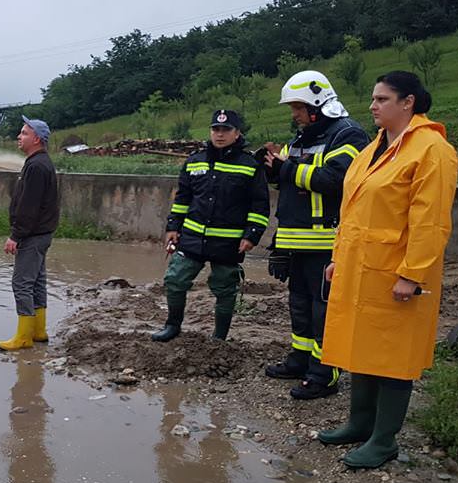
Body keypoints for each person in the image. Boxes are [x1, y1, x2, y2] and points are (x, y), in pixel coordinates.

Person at [318, 71, 458, 469]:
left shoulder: (432, 149)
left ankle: (384, 440)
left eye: (381, 99)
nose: (373, 106)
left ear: (408, 102)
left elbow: (430, 221)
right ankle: (359, 423)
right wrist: (337, 258)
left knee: (393, 356)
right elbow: (353, 211)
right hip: (359, 267)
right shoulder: (375, 147)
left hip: (396, 272)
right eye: (374, 99)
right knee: (360, 346)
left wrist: (411, 275)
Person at [262, 71, 370, 399]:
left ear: (318, 104)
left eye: (297, 106)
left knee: (326, 311)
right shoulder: (300, 138)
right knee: (300, 306)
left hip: (329, 244)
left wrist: (287, 169)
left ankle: (325, 373)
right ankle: (301, 359)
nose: (293, 113)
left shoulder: (348, 135)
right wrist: (272, 170)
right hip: (298, 242)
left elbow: (335, 180)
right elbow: (290, 187)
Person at [151, 109, 270, 342]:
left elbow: (260, 205)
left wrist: (252, 236)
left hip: (229, 242)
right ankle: (173, 326)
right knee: (175, 280)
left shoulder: (249, 165)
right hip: (192, 237)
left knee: (225, 290)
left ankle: (219, 337)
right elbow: (183, 198)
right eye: (216, 129)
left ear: (237, 133)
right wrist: (173, 227)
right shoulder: (194, 161)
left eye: (226, 130)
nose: (220, 134)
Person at [0, 116, 59, 351]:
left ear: (36, 138)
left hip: (32, 234)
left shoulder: (36, 166)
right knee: (37, 281)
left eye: (23, 133)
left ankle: (23, 337)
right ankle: (38, 331)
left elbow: (29, 206)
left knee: (21, 283)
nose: (18, 137)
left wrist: (15, 235)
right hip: (42, 233)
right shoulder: (41, 162)